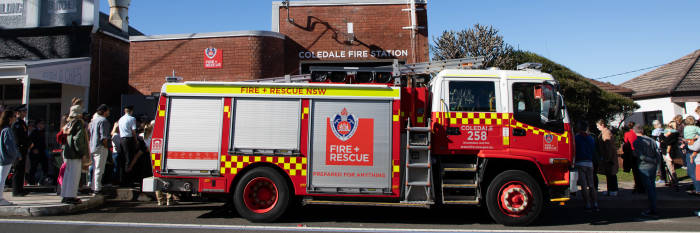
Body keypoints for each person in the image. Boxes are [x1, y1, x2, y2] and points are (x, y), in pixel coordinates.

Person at [60, 98, 89, 204]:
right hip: (75, 154)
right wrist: (82, 153)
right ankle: (71, 196)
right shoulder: (78, 124)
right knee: (74, 175)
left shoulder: (69, 123)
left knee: (67, 175)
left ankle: (65, 195)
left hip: (67, 152)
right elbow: (78, 140)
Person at [632, 124, 663, 218]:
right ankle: (653, 206)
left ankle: (653, 208)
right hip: (653, 166)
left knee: (649, 188)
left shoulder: (637, 142)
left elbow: (640, 156)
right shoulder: (652, 140)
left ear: (635, 131)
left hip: (644, 166)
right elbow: (657, 154)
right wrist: (657, 165)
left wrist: (650, 160)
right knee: (652, 187)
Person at [575, 121, 599, 212]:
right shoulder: (590, 138)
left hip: (580, 162)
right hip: (589, 162)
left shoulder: (577, 138)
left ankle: (587, 203)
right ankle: (595, 203)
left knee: (584, 185)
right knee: (591, 185)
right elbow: (593, 150)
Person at [88, 104, 111, 195]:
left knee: (94, 168)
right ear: (104, 111)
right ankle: (97, 189)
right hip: (100, 147)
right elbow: (104, 137)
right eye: (108, 110)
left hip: (93, 146)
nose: (109, 112)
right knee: (99, 169)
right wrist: (106, 146)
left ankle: (94, 187)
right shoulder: (104, 121)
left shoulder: (93, 121)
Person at [0, 110, 20, 206]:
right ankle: (0, 199)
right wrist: (16, 156)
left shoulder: (2, 129)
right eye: (14, 116)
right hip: (5, 159)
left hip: (1, 157)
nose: (15, 118)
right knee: (2, 179)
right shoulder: (7, 130)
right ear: (9, 118)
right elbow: (10, 146)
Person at [596, 120, 619, 196]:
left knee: (611, 174)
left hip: (609, 158)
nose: (597, 127)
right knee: (609, 174)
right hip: (607, 157)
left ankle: (613, 190)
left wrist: (608, 158)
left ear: (602, 125)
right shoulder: (604, 132)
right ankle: (610, 189)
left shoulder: (606, 133)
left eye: (598, 125)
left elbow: (608, 146)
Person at [11, 105, 30, 197]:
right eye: (24, 111)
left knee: (21, 170)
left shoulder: (22, 123)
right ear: (18, 113)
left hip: (23, 149)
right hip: (19, 149)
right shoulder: (16, 124)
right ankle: (16, 191)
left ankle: (20, 189)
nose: (25, 113)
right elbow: (17, 139)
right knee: (17, 170)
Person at [117, 106, 138, 187]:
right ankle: (128, 180)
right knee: (129, 159)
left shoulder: (121, 119)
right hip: (129, 139)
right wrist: (136, 141)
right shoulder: (132, 119)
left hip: (122, 139)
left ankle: (122, 179)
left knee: (123, 158)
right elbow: (133, 131)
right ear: (131, 111)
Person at [622, 121, 644, 193]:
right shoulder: (637, 134)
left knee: (635, 171)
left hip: (631, 153)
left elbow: (626, 143)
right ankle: (642, 185)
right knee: (641, 170)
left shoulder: (627, 134)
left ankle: (637, 186)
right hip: (639, 152)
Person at [28, 120, 48, 186]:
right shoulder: (34, 132)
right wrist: (33, 148)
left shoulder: (44, 132)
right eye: (41, 124)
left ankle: (42, 180)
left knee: (45, 166)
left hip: (42, 152)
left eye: (43, 124)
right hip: (35, 152)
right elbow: (30, 141)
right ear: (37, 125)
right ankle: (31, 181)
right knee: (33, 167)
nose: (42, 125)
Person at [683, 116, 700, 195]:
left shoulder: (685, 128)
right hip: (692, 148)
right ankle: (697, 188)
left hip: (690, 148)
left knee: (693, 172)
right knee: (694, 172)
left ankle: (697, 189)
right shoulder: (696, 128)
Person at [662, 121, 680, 189]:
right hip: (669, 151)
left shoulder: (673, 134)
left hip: (669, 152)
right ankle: (672, 181)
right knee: (670, 167)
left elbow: (668, 143)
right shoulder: (674, 133)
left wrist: (667, 152)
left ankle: (674, 181)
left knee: (671, 167)